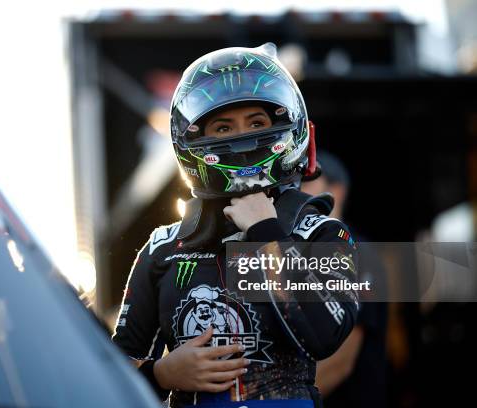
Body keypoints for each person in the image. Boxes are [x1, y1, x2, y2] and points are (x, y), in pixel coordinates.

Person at [112, 43, 359, 408]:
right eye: (223, 127)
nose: (241, 139)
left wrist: (265, 235)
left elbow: (325, 335)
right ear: (194, 139)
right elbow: (110, 375)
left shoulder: (322, 233)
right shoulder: (163, 248)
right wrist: (162, 374)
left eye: (256, 123)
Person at [302, 151, 388, 408]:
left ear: (336, 191)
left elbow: (342, 360)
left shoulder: (358, 253)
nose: (295, 188)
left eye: (306, 180)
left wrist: (289, 400)